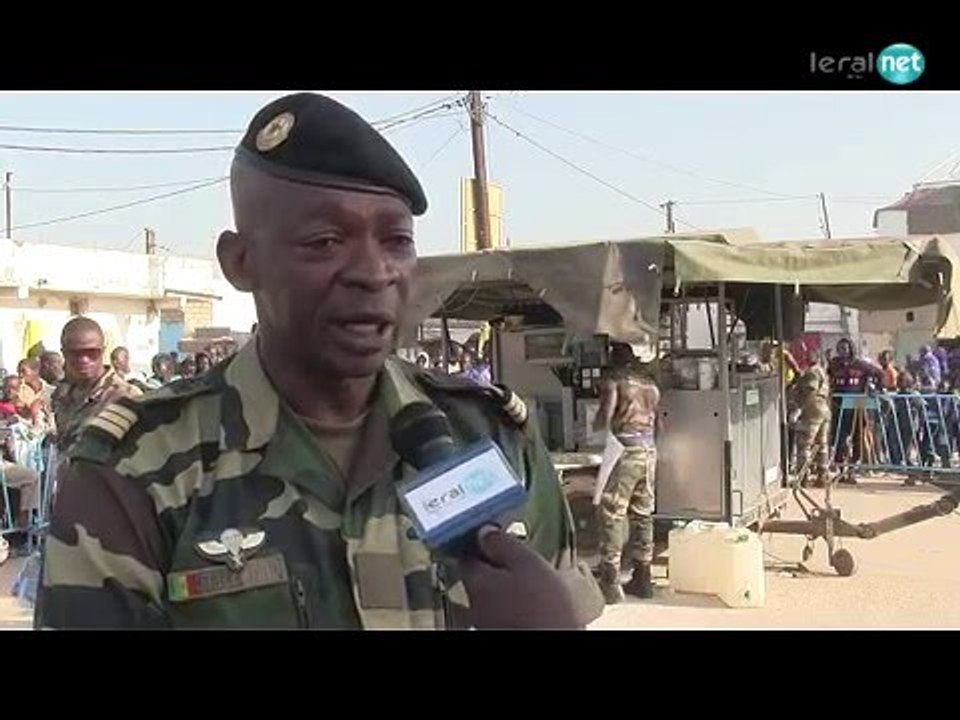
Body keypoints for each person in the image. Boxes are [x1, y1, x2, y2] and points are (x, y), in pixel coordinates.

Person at [37, 92, 600, 630]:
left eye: (396, 241)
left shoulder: (492, 440)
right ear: (240, 262)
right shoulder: (134, 471)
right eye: (325, 241)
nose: (373, 272)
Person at [592, 342, 661, 603]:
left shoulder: (615, 381)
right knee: (643, 514)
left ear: (614, 360)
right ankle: (643, 580)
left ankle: (610, 583)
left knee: (612, 512)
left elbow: (605, 416)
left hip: (626, 450)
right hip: (649, 450)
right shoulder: (650, 385)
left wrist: (595, 422)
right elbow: (660, 425)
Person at [50, 317, 142, 457]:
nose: (84, 360)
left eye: (92, 353)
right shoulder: (62, 395)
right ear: (64, 353)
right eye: (75, 353)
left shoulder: (125, 396)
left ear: (102, 351)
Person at [828, 338, 883, 470]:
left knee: (857, 436)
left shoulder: (861, 364)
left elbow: (879, 374)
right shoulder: (833, 364)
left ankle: (854, 463)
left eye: (845, 349)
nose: (842, 352)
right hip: (838, 405)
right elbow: (827, 377)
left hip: (857, 405)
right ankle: (840, 464)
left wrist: (875, 389)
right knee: (839, 437)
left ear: (850, 349)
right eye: (839, 349)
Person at [791, 350, 831, 487]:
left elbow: (810, 391)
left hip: (812, 411)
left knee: (804, 445)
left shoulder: (812, 373)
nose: (806, 357)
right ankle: (822, 475)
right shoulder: (822, 372)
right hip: (824, 410)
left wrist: (799, 409)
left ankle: (803, 477)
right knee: (822, 445)